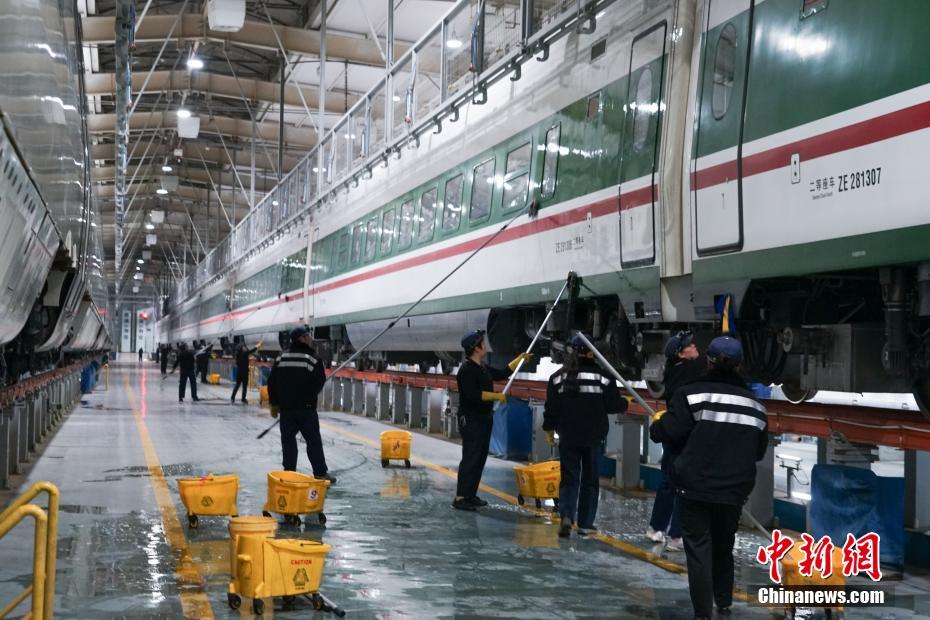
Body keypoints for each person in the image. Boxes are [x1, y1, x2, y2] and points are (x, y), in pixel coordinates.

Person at [650, 336, 769, 620]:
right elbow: (758, 451)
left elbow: (669, 431)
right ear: (740, 366)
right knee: (724, 545)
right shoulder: (756, 406)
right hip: (733, 491)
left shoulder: (691, 394)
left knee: (699, 549)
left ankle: (702, 613)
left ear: (709, 362)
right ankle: (724, 603)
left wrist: (658, 424)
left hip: (695, 488)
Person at [543, 333, 626, 537]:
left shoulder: (557, 378)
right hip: (593, 437)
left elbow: (551, 408)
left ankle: (566, 515)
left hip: (568, 436)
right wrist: (625, 403)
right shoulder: (603, 377)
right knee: (590, 479)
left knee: (569, 478)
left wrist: (549, 428)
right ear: (592, 352)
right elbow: (613, 405)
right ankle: (585, 523)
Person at [452, 330, 531, 511]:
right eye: (482, 343)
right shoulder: (466, 370)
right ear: (476, 348)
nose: (485, 345)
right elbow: (472, 395)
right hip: (471, 420)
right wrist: (495, 396)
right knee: (471, 457)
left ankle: (470, 495)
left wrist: (518, 361)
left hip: (483, 419)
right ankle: (461, 497)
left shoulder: (482, 368)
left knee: (479, 458)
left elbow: (502, 373)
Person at [647, 330, 705, 551]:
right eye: (690, 345)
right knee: (683, 484)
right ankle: (676, 535)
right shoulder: (691, 370)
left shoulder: (675, 371)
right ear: (681, 354)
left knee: (668, 481)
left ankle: (656, 527)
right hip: (685, 434)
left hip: (673, 433)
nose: (694, 346)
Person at [267, 326, 335, 483]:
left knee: (288, 442)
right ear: (302, 338)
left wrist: (274, 403)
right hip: (306, 409)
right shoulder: (313, 358)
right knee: (313, 442)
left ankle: (289, 474)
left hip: (286, 409)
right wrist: (308, 396)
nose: (311, 339)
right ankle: (320, 473)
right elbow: (319, 382)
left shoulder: (281, 357)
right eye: (308, 336)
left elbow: (272, 382)